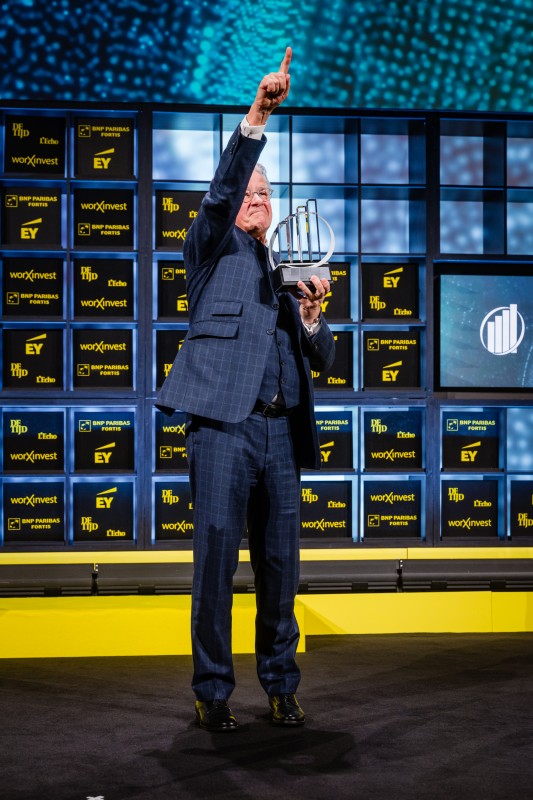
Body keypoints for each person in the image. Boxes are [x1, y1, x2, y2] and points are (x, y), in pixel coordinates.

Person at [156, 47, 335, 732]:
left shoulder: (291, 268)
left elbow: (322, 359)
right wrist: (258, 114)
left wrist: (312, 317)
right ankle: (212, 690)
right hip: (222, 428)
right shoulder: (209, 248)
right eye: (250, 195)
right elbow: (221, 189)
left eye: (266, 195)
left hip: (280, 432)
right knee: (214, 565)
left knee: (281, 568)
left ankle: (281, 684)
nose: (258, 201)